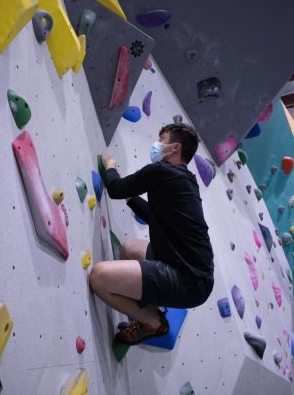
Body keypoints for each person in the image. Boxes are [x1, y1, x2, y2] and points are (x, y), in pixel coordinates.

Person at [89, 123, 214, 345]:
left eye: (162, 138)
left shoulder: (161, 171)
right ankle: (149, 304)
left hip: (189, 280)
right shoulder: (185, 178)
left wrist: (110, 165)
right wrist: (131, 199)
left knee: (98, 277)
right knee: (128, 248)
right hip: (191, 269)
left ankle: (153, 323)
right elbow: (156, 217)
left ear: (175, 147)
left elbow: (116, 188)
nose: (157, 143)